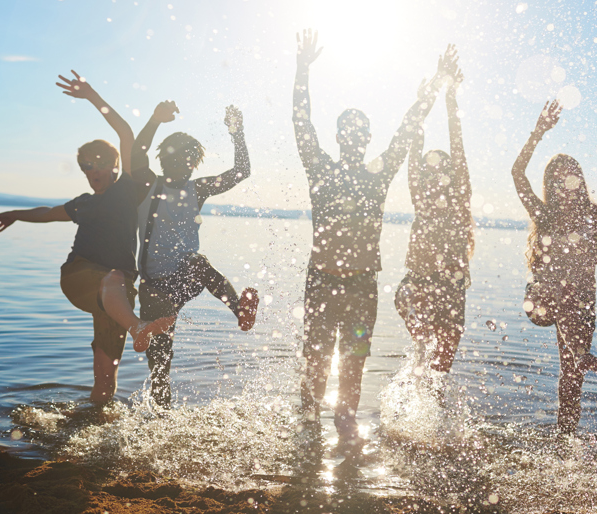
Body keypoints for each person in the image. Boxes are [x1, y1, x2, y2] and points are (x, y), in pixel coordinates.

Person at [293, 29, 447, 454]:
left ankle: (345, 421)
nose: (356, 136)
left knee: (355, 359)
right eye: (349, 130)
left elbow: (407, 127)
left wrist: (434, 86)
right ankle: (308, 420)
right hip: (322, 281)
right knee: (317, 358)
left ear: (366, 139)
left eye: (362, 131)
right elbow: (301, 124)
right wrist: (302, 70)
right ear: (341, 137)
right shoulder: (320, 169)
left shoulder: (377, 175)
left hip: (362, 285)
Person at [0, 71, 174, 404]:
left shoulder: (127, 189)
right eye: (87, 166)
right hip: (80, 276)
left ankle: (95, 424)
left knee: (105, 380)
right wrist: (16, 214)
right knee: (112, 278)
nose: (93, 170)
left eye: (100, 163)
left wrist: (92, 96)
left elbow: (125, 131)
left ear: (116, 165)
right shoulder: (83, 204)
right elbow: (48, 212)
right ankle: (138, 328)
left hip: (117, 298)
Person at [130, 100, 258, 408]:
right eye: (176, 159)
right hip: (154, 287)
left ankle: (239, 310)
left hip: (184, 278)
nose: (182, 165)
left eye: (188, 160)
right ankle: (161, 418)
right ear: (164, 160)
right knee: (161, 364)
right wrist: (154, 120)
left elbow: (241, 171)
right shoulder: (147, 184)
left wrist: (236, 132)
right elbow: (137, 154)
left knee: (197, 263)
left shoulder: (197, 189)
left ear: (194, 163)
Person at [511, 101, 597, 434]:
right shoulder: (545, 216)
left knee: (572, 376)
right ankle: (579, 351)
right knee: (560, 287)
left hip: (580, 304)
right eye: (556, 182)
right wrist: (538, 132)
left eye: (569, 180)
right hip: (542, 300)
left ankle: (565, 439)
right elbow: (517, 174)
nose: (564, 187)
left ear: (579, 182)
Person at [395, 48, 473, 375]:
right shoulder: (421, 198)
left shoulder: (459, 198)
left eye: (443, 172)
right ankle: (411, 420)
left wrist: (450, 97)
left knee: (437, 373)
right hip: (419, 286)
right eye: (429, 174)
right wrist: (428, 96)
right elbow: (415, 145)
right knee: (423, 363)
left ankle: (427, 421)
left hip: (451, 290)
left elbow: (456, 140)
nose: (435, 179)